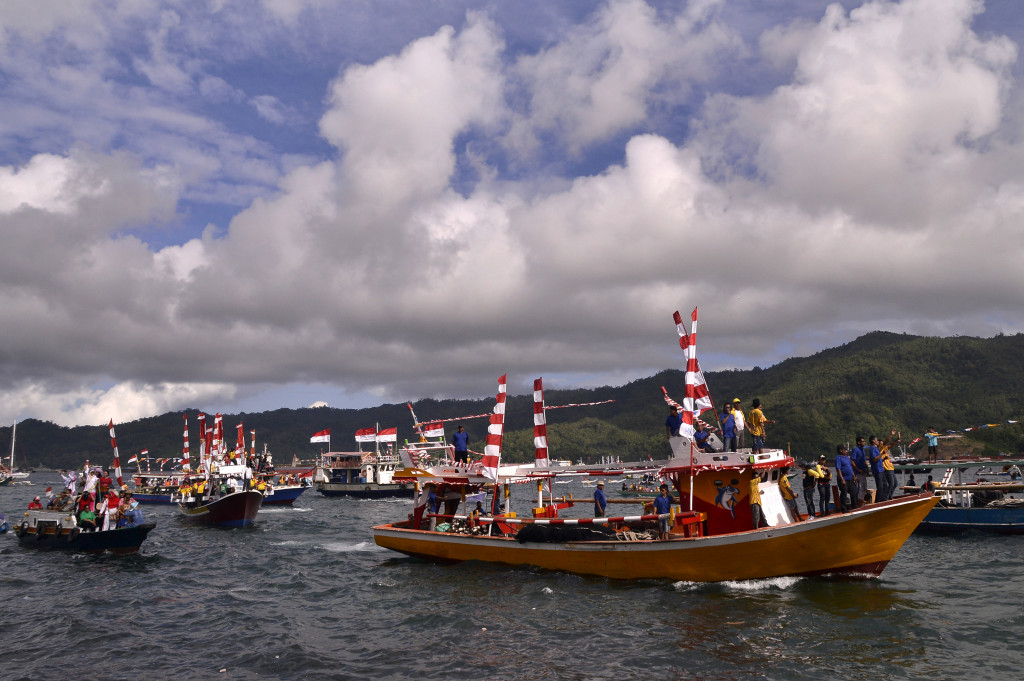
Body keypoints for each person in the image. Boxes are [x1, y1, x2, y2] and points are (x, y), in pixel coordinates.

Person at [835, 445, 857, 512]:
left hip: (850, 479)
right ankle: (843, 509)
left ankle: (854, 507)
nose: (846, 451)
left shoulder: (847, 457)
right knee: (844, 493)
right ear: (841, 450)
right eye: (845, 449)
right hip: (844, 479)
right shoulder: (838, 458)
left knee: (854, 492)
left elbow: (850, 467)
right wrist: (842, 479)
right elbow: (838, 469)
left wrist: (853, 476)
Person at [850, 437, 869, 506]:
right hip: (858, 473)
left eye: (864, 441)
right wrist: (857, 469)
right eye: (863, 441)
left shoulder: (862, 450)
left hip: (863, 471)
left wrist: (867, 469)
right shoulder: (856, 449)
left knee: (864, 488)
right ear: (859, 442)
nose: (864, 442)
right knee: (860, 488)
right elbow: (852, 460)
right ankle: (858, 504)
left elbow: (864, 460)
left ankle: (860, 502)